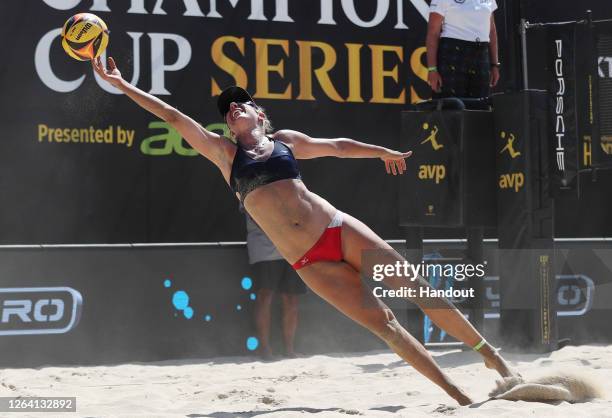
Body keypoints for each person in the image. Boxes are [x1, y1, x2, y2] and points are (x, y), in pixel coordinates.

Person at [92, 56, 516, 406]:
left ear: (260, 114)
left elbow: (338, 146)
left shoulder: (285, 141)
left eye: (242, 104)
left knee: (417, 289)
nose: (234, 108)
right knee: (385, 325)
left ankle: (492, 358)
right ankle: (459, 397)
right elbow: (171, 115)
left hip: (336, 227)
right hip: (310, 261)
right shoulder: (224, 154)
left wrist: (380, 153)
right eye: (228, 109)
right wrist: (121, 83)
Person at [243, 208, 307, 359]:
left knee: (292, 298)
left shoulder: (292, 185)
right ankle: (264, 349)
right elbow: (256, 216)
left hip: (291, 249)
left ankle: (289, 350)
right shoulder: (250, 186)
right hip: (264, 250)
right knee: (265, 296)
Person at [426, 0, 500, 98]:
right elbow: (433, 33)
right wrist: (432, 69)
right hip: (453, 56)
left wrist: (494, 64)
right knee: (451, 107)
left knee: (480, 107)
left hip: (481, 56)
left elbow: (492, 30)